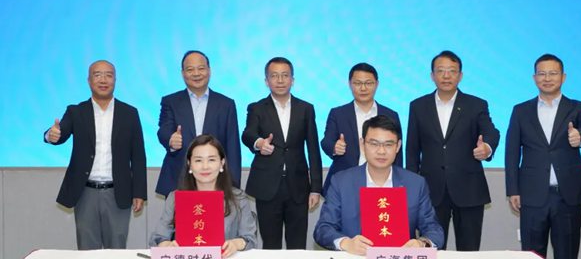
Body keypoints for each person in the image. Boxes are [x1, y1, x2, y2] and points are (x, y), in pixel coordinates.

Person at [43, 60, 147, 249]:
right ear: (89, 80)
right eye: (97, 75)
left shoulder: (129, 113)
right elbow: (60, 133)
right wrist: (51, 135)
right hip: (85, 193)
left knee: (117, 249)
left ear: (115, 80)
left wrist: (139, 192)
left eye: (108, 75)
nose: (103, 80)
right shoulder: (76, 111)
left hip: (118, 192)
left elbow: (138, 156)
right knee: (87, 249)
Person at [406, 50, 500, 251]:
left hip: (469, 189)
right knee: (430, 248)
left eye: (452, 71)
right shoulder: (418, 106)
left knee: (469, 249)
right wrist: (412, 187)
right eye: (441, 71)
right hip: (431, 190)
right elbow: (412, 150)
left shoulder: (476, 105)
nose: (446, 76)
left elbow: (491, 132)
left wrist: (487, 147)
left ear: (460, 75)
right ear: (432, 75)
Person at [505, 53, 581, 259]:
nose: (547, 78)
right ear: (534, 78)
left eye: (553, 73)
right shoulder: (521, 110)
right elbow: (511, 153)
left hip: (567, 195)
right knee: (532, 254)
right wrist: (513, 190)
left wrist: (580, 136)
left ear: (563, 77)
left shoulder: (578, 107)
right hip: (531, 194)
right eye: (542, 74)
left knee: (567, 252)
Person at [314, 114, 444, 255]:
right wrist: (346, 243)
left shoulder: (415, 184)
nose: (381, 151)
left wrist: (422, 243)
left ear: (398, 146)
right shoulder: (341, 182)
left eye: (388, 144)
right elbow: (323, 229)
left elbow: (434, 229)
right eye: (374, 144)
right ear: (362, 144)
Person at [241, 57, 322, 249]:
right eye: (274, 76)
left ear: (292, 80)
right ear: (266, 81)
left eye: (285, 75)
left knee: (297, 244)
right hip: (267, 186)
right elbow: (247, 134)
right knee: (270, 244)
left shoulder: (306, 109)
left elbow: (313, 149)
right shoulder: (257, 108)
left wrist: (316, 188)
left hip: (298, 187)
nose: (280, 80)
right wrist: (259, 143)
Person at [149, 135, 257, 257]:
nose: (205, 166)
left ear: (221, 163)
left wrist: (235, 244)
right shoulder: (175, 198)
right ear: (189, 164)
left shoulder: (238, 198)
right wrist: (166, 245)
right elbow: (158, 238)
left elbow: (250, 239)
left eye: (211, 160)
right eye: (198, 160)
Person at [156, 50, 241, 197]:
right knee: (179, 213)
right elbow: (164, 129)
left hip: (216, 180)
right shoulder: (170, 101)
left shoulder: (226, 104)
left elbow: (233, 147)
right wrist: (170, 140)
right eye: (190, 69)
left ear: (209, 71)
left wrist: (233, 184)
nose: (196, 73)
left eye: (201, 68)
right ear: (183, 73)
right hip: (179, 178)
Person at [321, 63, 403, 197]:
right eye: (358, 83)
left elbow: (397, 154)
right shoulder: (338, 113)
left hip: (381, 183)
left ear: (377, 84)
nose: (363, 88)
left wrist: (398, 185)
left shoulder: (391, 114)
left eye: (368, 83)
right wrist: (334, 147)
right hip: (345, 183)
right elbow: (326, 141)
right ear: (350, 84)